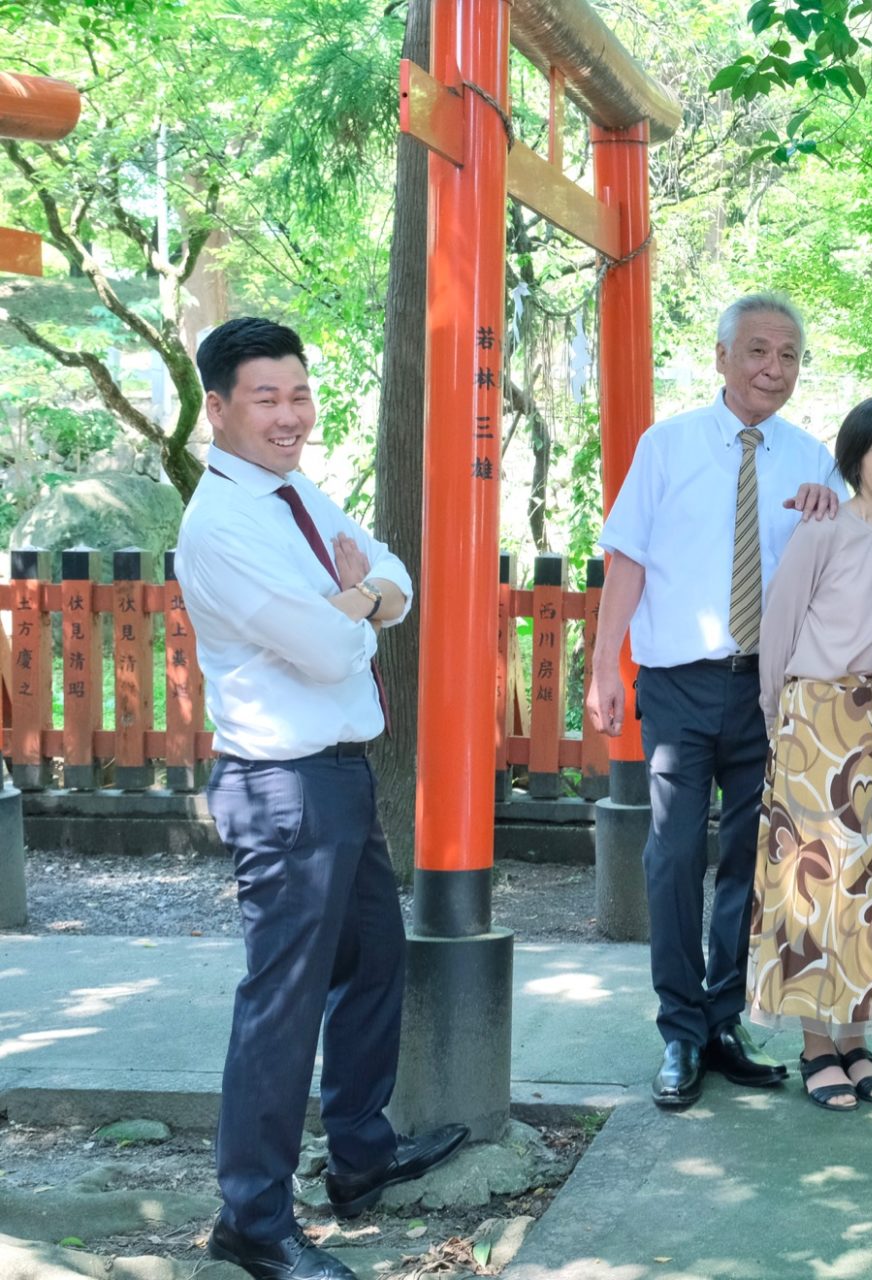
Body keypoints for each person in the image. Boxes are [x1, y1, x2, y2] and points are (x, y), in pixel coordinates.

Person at [176, 317, 466, 1280]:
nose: (290, 414)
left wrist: (366, 596)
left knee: (375, 960)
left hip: (340, 771)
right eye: (267, 397)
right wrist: (360, 606)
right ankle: (252, 1219)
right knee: (282, 1005)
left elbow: (394, 576)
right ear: (218, 409)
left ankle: (360, 1155)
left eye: (299, 393)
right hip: (283, 783)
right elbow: (326, 645)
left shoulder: (297, 489)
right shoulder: (220, 525)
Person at [586, 293, 842, 1111]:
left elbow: (844, 567)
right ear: (724, 356)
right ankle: (679, 1030)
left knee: (751, 860)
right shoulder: (667, 447)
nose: (774, 368)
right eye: (759, 351)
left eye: (790, 355)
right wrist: (602, 669)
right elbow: (625, 561)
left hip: (770, 687)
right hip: (678, 684)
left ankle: (726, 1018)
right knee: (670, 856)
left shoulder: (813, 459)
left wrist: (832, 515)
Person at [748, 395, 872, 1111]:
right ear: (854, 457)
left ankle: (856, 1038)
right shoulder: (822, 530)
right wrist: (780, 721)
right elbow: (781, 626)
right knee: (813, 885)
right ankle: (815, 1047)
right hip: (816, 718)